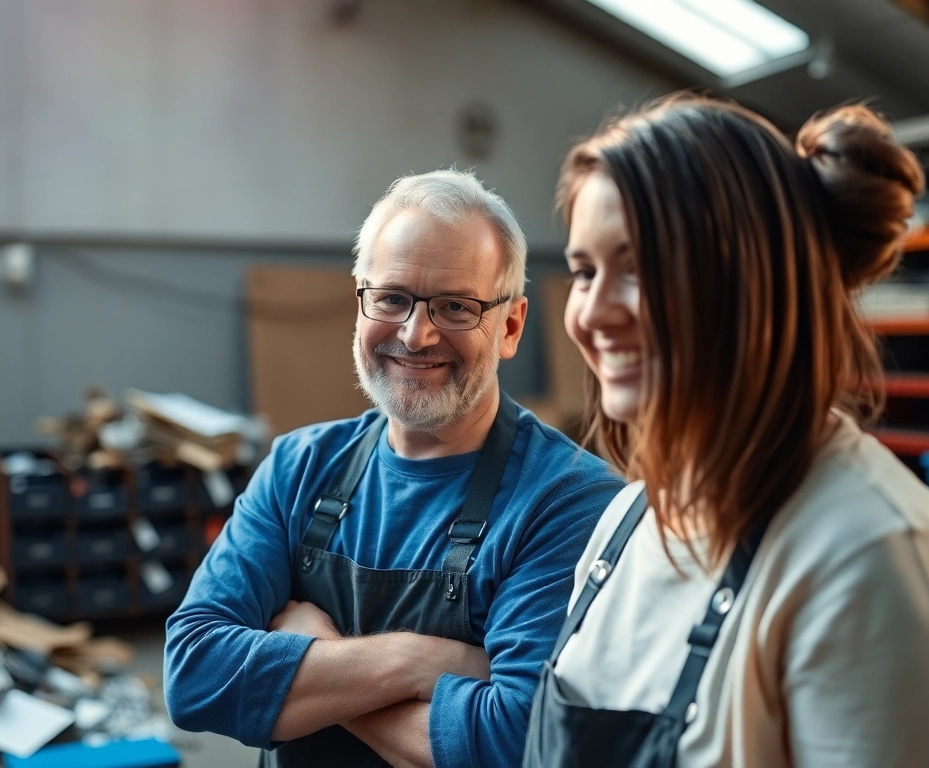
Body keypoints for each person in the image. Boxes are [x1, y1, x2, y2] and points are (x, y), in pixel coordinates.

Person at [524, 94, 929, 768]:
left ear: (748, 282)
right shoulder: (624, 524)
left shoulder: (872, 564)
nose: (590, 313)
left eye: (641, 266)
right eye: (585, 271)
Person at [164, 169, 624, 768]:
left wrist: (314, 651)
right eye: (392, 298)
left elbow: (513, 743)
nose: (416, 333)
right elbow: (195, 674)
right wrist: (411, 662)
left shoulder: (569, 503)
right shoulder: (297, 468)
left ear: (509, 326)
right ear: (361, 301)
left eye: (457, 306)